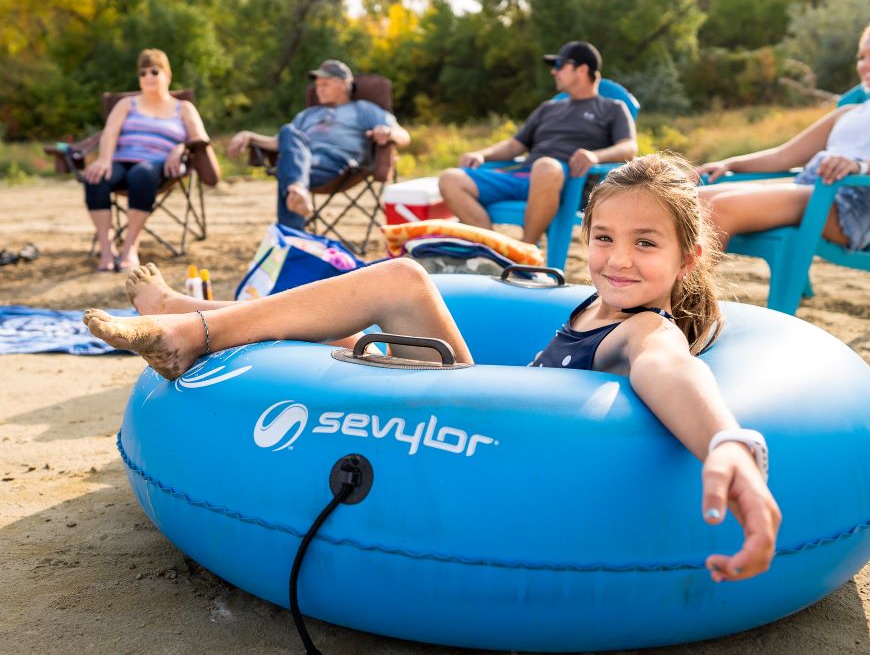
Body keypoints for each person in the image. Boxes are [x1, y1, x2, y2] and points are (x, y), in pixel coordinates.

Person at [83, 153, 781, 582]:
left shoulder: (645, 328)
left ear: (687, 259)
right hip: (484, 402)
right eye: (603, 237)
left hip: (494, 446)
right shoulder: (596, 309)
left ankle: (192, 325)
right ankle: (193, 316)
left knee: (401, 286)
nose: (618, 259)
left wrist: (726, 442)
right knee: (394, 289)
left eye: (645, 243)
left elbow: (670, 368)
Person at [697, 16, 870, 252]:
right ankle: (668, 292)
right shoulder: (850, 112)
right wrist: (730, 163)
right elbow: (783, 156)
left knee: (720, 209)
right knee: (694, 202)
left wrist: (857, 166)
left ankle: (689, 298)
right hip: (810, 190)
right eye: (861, 57)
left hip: (851, 204)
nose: (865, 64)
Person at [438, 41, 638, 246]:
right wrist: (483, 155)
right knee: (450, 179)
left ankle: (525, 252)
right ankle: (494, 249)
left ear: (582, 69)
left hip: (567, 183)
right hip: (521, 176)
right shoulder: (548, 108)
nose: (554, 72)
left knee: (545, 166)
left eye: (560, 65)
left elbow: (629, 147)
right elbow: (515, 145)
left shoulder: (613, 108)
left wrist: (596, 156)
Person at [226, 60, 410, 231]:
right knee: (288, 131)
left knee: (286, 168)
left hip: (338, 165)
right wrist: (250, 137)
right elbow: (282, 142)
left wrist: (388, 132)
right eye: (317, 85)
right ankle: (298, 189)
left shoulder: (363, 109)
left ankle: (293, 237)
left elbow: (404, 136)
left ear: (344, 83)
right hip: (304, 163)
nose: (318, 90)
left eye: (325, 84)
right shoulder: (308, 114)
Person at [83, 49, 210, 271]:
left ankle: (130, 247)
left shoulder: (183, 109)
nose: (148, 77)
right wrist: (103, 159)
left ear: (167, 75)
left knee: (141, 174)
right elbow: (110, 133)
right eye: (143, 73)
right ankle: (107, 249)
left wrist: (180, 147)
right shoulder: (126, 104)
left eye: (154, 71)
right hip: (122, 160)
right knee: (95, 177)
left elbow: (200, 139)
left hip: (158, 165)